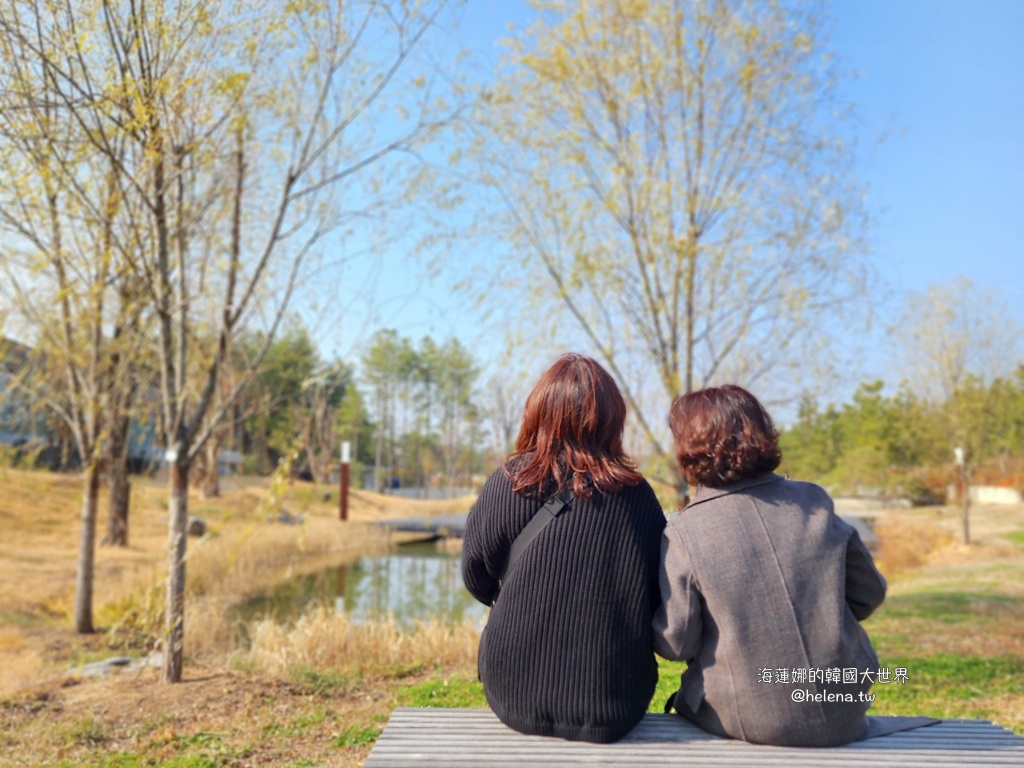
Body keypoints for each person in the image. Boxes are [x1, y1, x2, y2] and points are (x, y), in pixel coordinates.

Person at [653, 385, 887, 747]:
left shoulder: (685, 530)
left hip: (746, 716)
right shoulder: (814, 500)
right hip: (844, 708)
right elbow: (869, 594)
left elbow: (676, 643)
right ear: (761, 431)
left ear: (687, 448)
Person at [462, 353, 666, 743]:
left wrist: (520, 597)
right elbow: (655, 597)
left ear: (538, 411)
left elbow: (476, 576)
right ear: (612, 419)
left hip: (512, 694)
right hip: (614, 700)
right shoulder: (637, 495)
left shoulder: (509, 481)